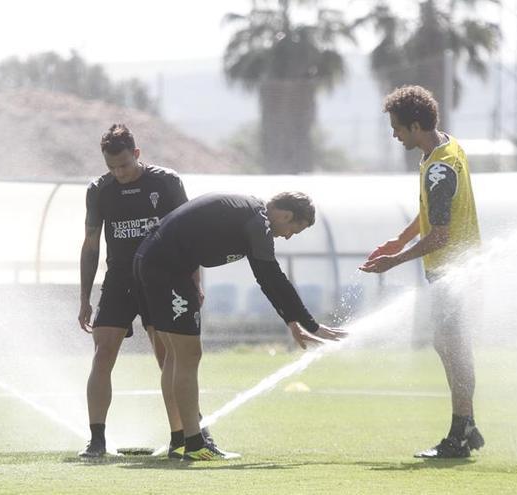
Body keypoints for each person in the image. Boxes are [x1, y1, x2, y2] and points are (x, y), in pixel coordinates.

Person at [133, 191, 347, 460]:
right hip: (166, 270)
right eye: (294, 228)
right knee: (188, 356)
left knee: (176, 358)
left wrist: (293, 321)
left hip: (149, 262)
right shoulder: (258, 222)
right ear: (286, 215)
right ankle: (194, 443)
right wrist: (311, 325)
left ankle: (180, 440)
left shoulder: (251, 214)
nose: (289, 235)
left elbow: (266, 277)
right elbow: (271, 277)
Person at [360, 85, 485, 459]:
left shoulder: (439, 169)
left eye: (397, 127)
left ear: (416, 126)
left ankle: (461, 432)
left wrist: (393, 262)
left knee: (454, 347)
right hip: (450, 270)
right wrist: (399, 240)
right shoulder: (443, 147)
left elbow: (441, 235)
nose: (394, 134)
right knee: (446, 345)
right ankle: (467, 426)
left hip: (452, 270)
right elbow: (432, 213)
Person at [78, 123, 204, 459]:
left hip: (162, 279)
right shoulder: (99, 190)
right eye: (111, 167)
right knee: (103, 353)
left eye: (124, 165)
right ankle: (96, 440)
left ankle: (184, 436)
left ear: (137, 154)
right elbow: (90, 245)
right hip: (119, 279)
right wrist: (84, 297)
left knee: (169, 358)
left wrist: (195, 282)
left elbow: (188, 236)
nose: (119, 173)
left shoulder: (166, 182)